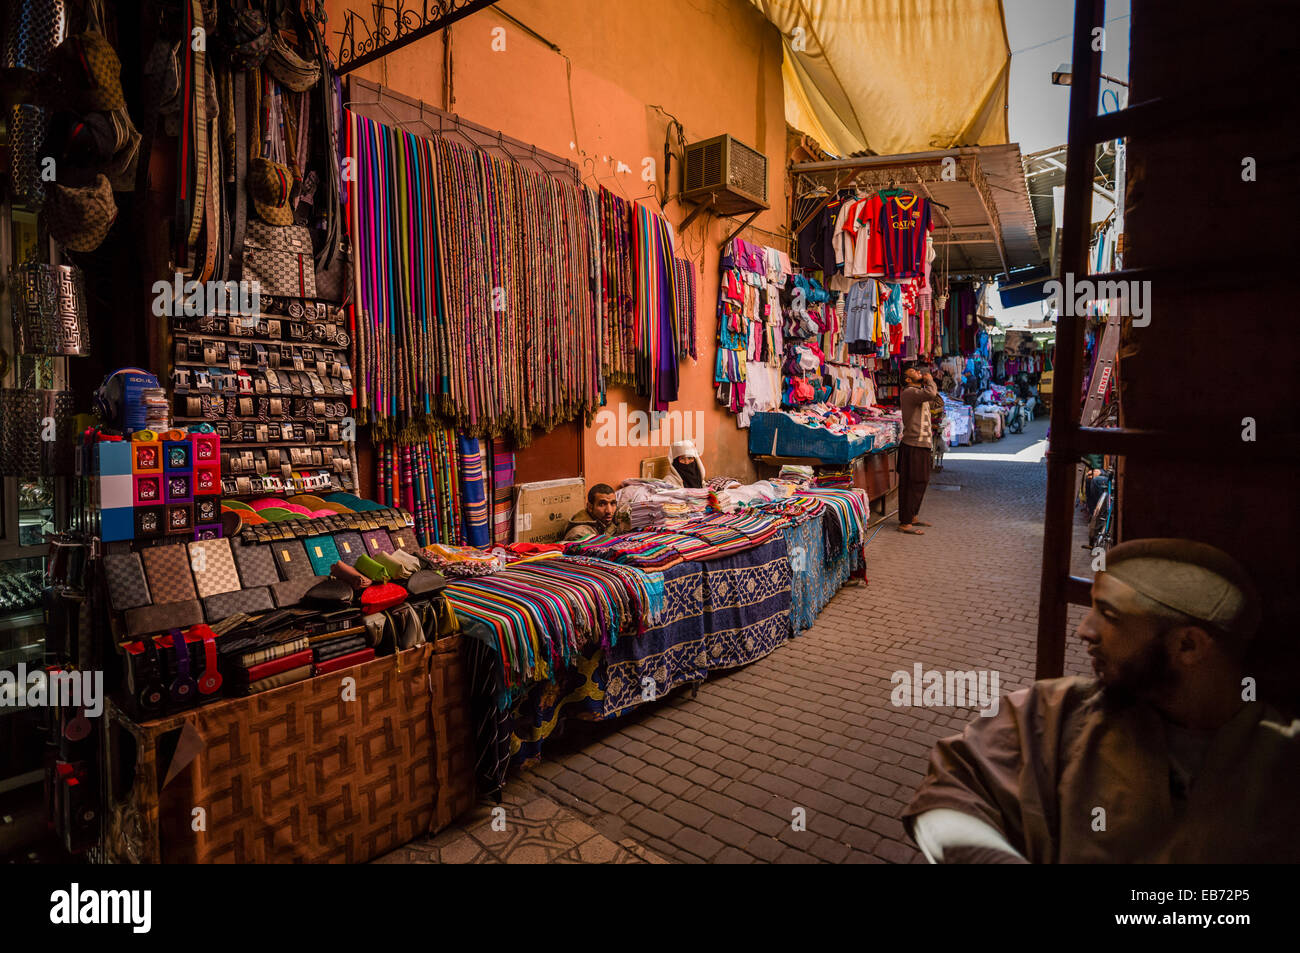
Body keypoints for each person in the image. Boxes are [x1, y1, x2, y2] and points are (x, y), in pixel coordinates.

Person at [902, 538, 1300, 863]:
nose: (1084, 630)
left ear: (1188, 645)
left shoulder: (1279, 761)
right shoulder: (1053, 710)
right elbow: (950, 792)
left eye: (1109, 615)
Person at [897, 366, 944, 535]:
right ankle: (905, 522)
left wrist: (928, 383)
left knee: (921, 481)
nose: (918, 371)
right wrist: (930, 380)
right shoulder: (909, 392)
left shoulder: (920, 393)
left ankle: (913, 516)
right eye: (913, 371)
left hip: (922, 444)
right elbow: (931, 394)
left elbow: (937, 402)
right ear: (907, 379)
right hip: (913, 444)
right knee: (911, 483)